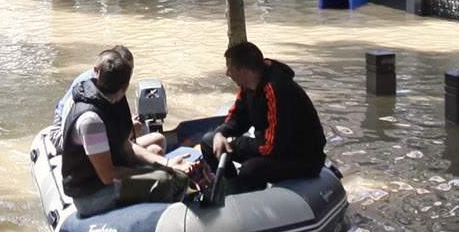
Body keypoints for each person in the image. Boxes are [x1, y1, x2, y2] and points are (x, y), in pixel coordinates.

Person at [50, 45, 187, 213]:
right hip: (92, 195)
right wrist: (155, 171)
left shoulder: (112, 100)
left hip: (105, 180)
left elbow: (126, 146)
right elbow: (108, 175)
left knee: (165, 166)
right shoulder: (91, 121)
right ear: (126, 85)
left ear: (96, 72)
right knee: (168, 181)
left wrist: (166, 164)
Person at [208, 40, 326, 189]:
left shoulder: (276, 89)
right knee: (209, 141)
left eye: (230, 68)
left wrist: (237, 144)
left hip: (299, 157)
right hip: (273, 149)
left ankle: (244, 197)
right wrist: (220, 134)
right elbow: (238, 117)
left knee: (250, 170)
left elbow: (273, 146)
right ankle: (227, 187)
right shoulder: (248, 85)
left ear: (244, 71)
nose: (227, 73)